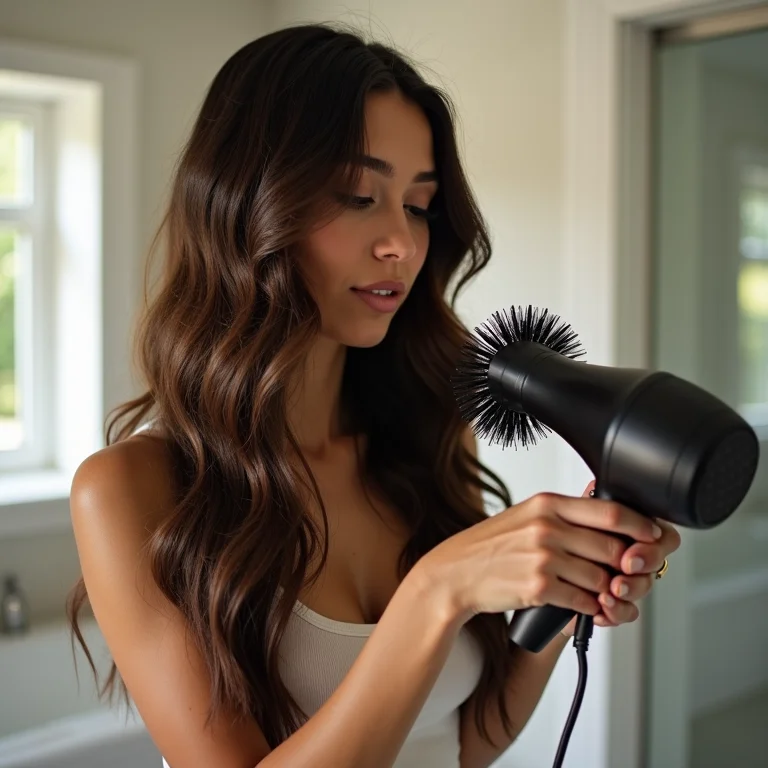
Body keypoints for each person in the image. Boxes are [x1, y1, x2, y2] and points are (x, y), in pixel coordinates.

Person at [65, 22, 681, 768]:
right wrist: (437, 592)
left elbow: (467, 742)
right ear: (247, 207)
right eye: (359, 196)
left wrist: (561, 596)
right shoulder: (135, 490)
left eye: (418, 205)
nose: (402, 243)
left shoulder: (427, 430)